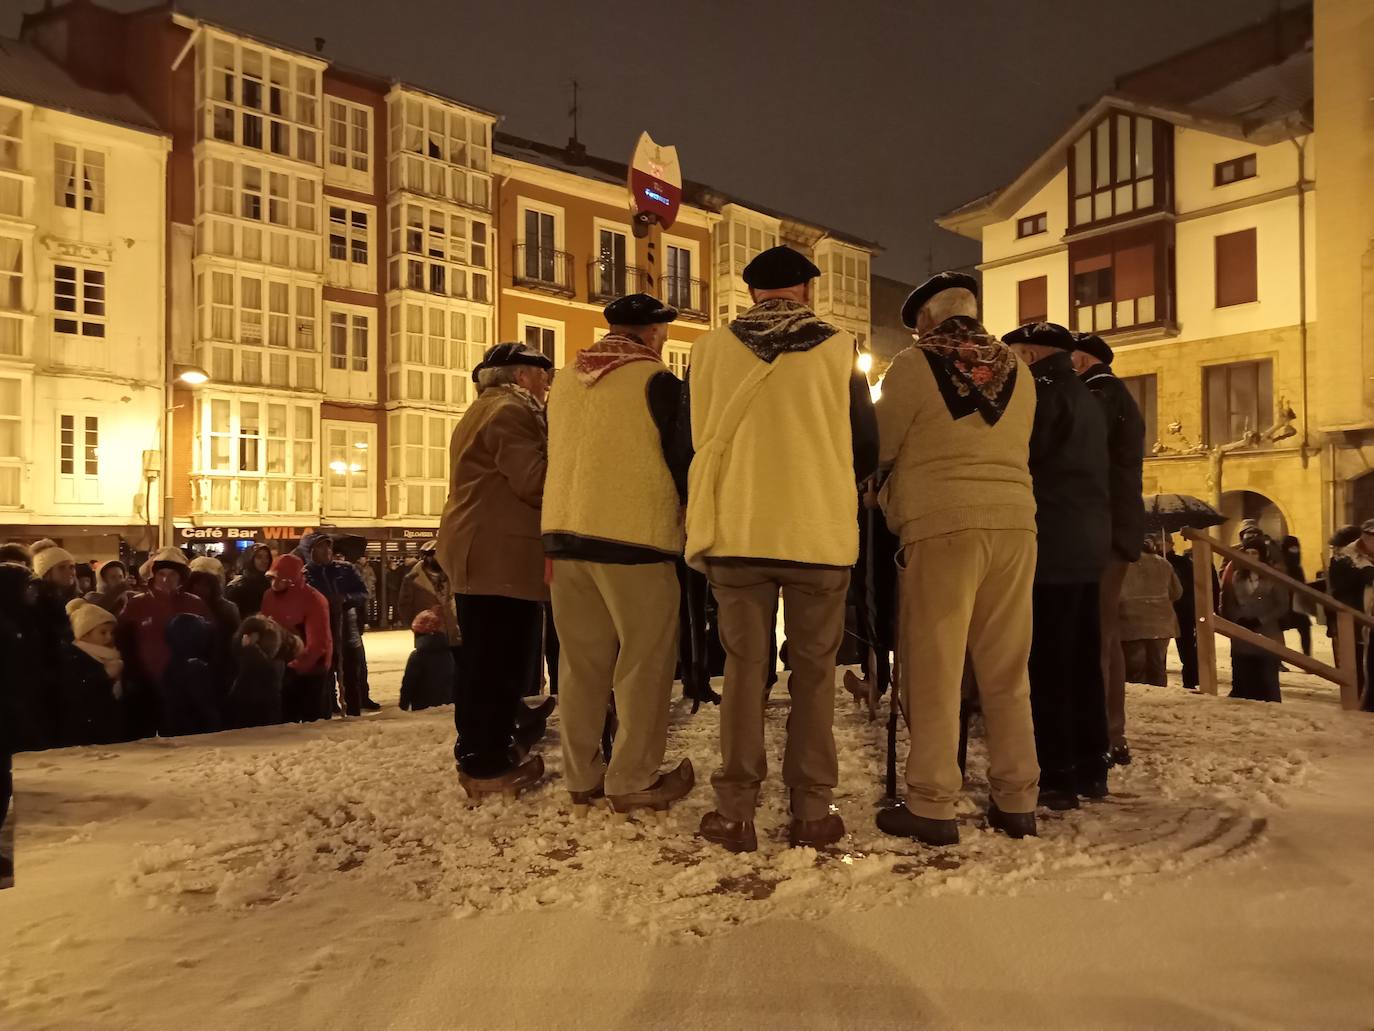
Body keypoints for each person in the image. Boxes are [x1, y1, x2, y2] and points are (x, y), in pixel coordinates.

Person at [683, 245, 878, 853]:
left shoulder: (709, 350)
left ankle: (736, 810)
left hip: (737, 532)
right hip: (816, 535)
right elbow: (866, 445)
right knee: (816, 673)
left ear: (752, 294)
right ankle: (812, 811)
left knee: (744, 671)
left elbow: (697, 438)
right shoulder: (839, 348)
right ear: (805, 292)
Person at [872, 271, 1040, 844]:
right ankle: (1017, 798)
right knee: (1006, 670)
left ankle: (933, 802)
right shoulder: (1020, 372)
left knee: (934, 669)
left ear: (924, 322)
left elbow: (881, 445)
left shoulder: (915, 367)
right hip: (1016, 525)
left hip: (942, 525)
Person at [543, 293, 695, 818]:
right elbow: (684, 458)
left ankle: (581, 777)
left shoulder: (563, 379)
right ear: (653, 334)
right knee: (643, 662)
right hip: (635, 538)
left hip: (564, 536)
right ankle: (632, 777)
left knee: (580, 664)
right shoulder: (657, 382)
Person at [437, 342, 553, 799]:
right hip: (497, 556)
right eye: (542, 374)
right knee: (495, 661)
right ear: (521, 376)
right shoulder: (510, 411)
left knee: (489, 659)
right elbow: (533, 481)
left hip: (483, 552)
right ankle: (485, 766)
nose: (547, 383)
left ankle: (493, 747)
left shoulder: (482, 409)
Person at [1004, 321, 1110, 810]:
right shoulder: (1085, 394)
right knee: (1082, 661)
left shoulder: (1042, 395)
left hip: (1052, 544)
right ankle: (1090, 765)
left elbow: (1024, 457)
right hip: (1086, 545)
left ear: (1029, 355)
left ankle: (1057, 772)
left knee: (1048, 662)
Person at [1070, 332, 1144, 767]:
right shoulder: (1112, 393)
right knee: (1105, 631)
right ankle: (1109, 730)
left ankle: (1104, 731)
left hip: (1103, 529)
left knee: (1099, 631)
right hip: (1114, 527)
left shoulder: (1100, 394)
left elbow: (1081, 451)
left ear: (1081, 361)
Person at [115, 547, 212, 739]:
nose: (166, 579)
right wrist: (132, 674)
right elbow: (123, 640)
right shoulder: (137, 604)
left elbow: (208, 639)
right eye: (162, 574)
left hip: (185, 684)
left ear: (181, 577)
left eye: (172, 574)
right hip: (145, 682)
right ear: (154, 575)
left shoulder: (195, 604)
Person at [297, 533, 374, 715]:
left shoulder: (346, 569)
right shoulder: (304, 575)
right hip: (321, 634)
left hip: (347, 630)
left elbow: (363, 594)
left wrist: (345, 599)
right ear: (310, 551)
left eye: (328, 546)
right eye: (321, 547)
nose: (327, 550)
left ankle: (354, 712)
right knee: (325, 678)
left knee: (351, 675)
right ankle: (327, 712)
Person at [259, 553, 333, 722]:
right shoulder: (269, 596)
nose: (275, 584)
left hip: (311, 666)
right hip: (283, 663)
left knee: (311, 715)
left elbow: (318, 642)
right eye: (273, 579)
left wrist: (295, 667)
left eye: (281, 579)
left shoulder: (313, 600)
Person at [1222, 543, 1288, 702]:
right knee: (1244, 678)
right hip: (1242, 633)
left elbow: (1282, 605)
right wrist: (1238, 620)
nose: (1251, 556)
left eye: (1255, 553)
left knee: (1267, 679)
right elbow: (1228, 602)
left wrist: (1261, 619)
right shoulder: (1236, 576)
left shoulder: (1273, 577)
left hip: (1267, 632)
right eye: (1248, 553)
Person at [57, 598, 126, 746]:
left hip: (106, 723)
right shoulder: (74, 655)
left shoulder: (110, 655)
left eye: (111, 632)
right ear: (85, 634)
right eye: (102, 632)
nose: (109, 637)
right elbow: (75, 688)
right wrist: (104, 674)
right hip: (84, 727)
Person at [1119, 536, 1182, 686]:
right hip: (1161, 624)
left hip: (1130, 623)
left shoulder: (1121, 564)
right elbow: (1177, 592)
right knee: (1157, 667)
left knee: (1135, 671)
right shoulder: (1164, 563)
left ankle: (1144, 703)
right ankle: (1160, 700)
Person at [1327, 522, 1374, 711]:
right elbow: (1338, 589)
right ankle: (1357, 705)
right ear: (1365, 537)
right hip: (1355, 620)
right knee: (1356, 667)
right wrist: (1361, 574)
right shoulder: (1344, 557)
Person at [1163, 534, 1218, 691]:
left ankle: (1191, 679)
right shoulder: (1150, 561)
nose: (1160, 545)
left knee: (1186, 647)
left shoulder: (1182, 562)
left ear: (1170, 544)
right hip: (1161, 610)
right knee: (1160, 649)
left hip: (1182, 610)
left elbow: (1187, 586)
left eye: (1163, 542)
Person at [226, 614, 300, 729]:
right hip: (259, 707)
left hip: (256, 707)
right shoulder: (276, 661)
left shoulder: (271, 664)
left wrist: (250, 648)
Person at [160, 612, 220, 736]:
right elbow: (205, 709)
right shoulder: (196, 668)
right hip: (196, 738)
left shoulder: (171, 666)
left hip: (177, 734)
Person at [187, 569, 241, 701]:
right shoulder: (186, 605)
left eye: (206, 584)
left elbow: (232, 639)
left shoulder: (226, 609)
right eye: (197, 584)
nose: (201, 588)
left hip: (219, 665)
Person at [399, 609, 455, 712]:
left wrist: (403, 706)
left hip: (422, 707)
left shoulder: (417, 656)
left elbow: (408, 684)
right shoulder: (450, 653)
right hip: (448, 706)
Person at [1277, 535, 1312, 657]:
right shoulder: (1279, 566)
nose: (1295, 550)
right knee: (1278, 630)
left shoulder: (1297, 567)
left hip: (1297, 603)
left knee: (1305, 628)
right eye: (1291, 548)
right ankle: (1279, 658)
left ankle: (1307, 657)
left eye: (1296, 547)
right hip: (1282, 603)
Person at [225, 544, 275, 619]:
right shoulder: (237, 586)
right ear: (250, 559)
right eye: (259, 557)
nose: (264, 561)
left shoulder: (271, 583)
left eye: (267, 557)